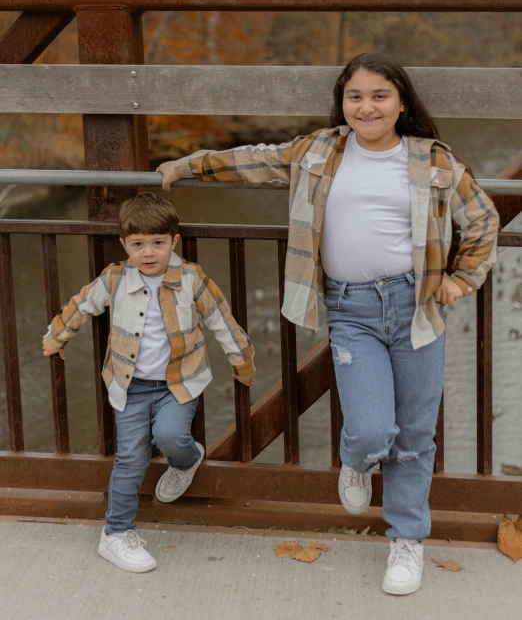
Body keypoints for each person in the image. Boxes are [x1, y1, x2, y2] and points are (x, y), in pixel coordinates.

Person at [157, 52, 499, 596]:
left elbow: (481, 217)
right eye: (355, 96)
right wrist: (187, 165)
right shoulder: (319, 150)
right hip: (350, 310)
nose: (367, 107)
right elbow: (253, 161)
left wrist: (461, 278)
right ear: (343, 103)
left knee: (414, 436)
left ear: (402, 102)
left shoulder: (431, 159)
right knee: (371, 429)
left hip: (417, 308)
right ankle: (356, 462)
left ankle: (406, 541)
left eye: (379, 96)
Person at [42, 192, 255, 573]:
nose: (148, 252)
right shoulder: (115, 278)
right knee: (130, 457)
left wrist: (242, 362)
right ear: (125, 245)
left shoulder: (191, 278)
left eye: (158, 243)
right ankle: (116, 533)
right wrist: (56, 336)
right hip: (130, 386)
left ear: (174, 242)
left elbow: (222, 319)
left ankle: (186, 461)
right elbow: (83, 304)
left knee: (172, 436)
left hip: (179, 382)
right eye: (138, 244)